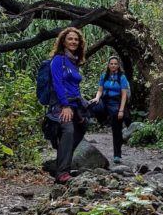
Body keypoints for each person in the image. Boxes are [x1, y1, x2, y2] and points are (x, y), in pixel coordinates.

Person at [45, 26, 88, 185]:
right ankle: (62, 173)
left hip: (75, 103)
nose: (73, 41)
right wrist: (64, 105)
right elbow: (58, 83)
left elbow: (74, 85)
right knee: (68, 130)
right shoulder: (58, 60)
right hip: (62, 103)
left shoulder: (74, 61)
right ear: (63, 41)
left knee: (83, 125)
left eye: (76, 39)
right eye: (70, 38)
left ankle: (64, 157)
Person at [92, 55, 130, 164]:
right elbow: (100, 90)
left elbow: (124, 95)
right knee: (92, 106)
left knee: (116, 128)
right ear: (108, 65)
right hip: (105, 100)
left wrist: (121, 110)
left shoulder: (121, 77)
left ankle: (117, 155)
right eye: (111, 63)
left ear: (118, 66)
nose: (113, 65)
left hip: (116, 102)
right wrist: (97, 98)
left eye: (115, 64)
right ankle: (103, 121)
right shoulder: (104, 76)